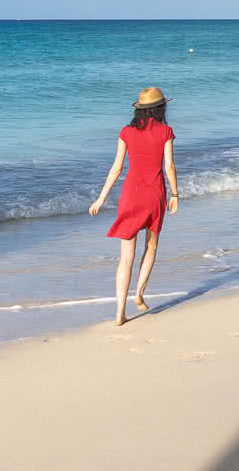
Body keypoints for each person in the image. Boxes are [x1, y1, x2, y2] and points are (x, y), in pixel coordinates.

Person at [88, 85, 179, 325]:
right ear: (161, 108)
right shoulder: (166, 131)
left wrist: (101, 197)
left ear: (139, 109)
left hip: (130, 194)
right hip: (154, 194)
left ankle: (119, 313)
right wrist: (175, 194)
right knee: (151, 246)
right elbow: (169, 166)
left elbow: (116, 168)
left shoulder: (126, 132)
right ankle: (139, 293)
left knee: (125, 258)